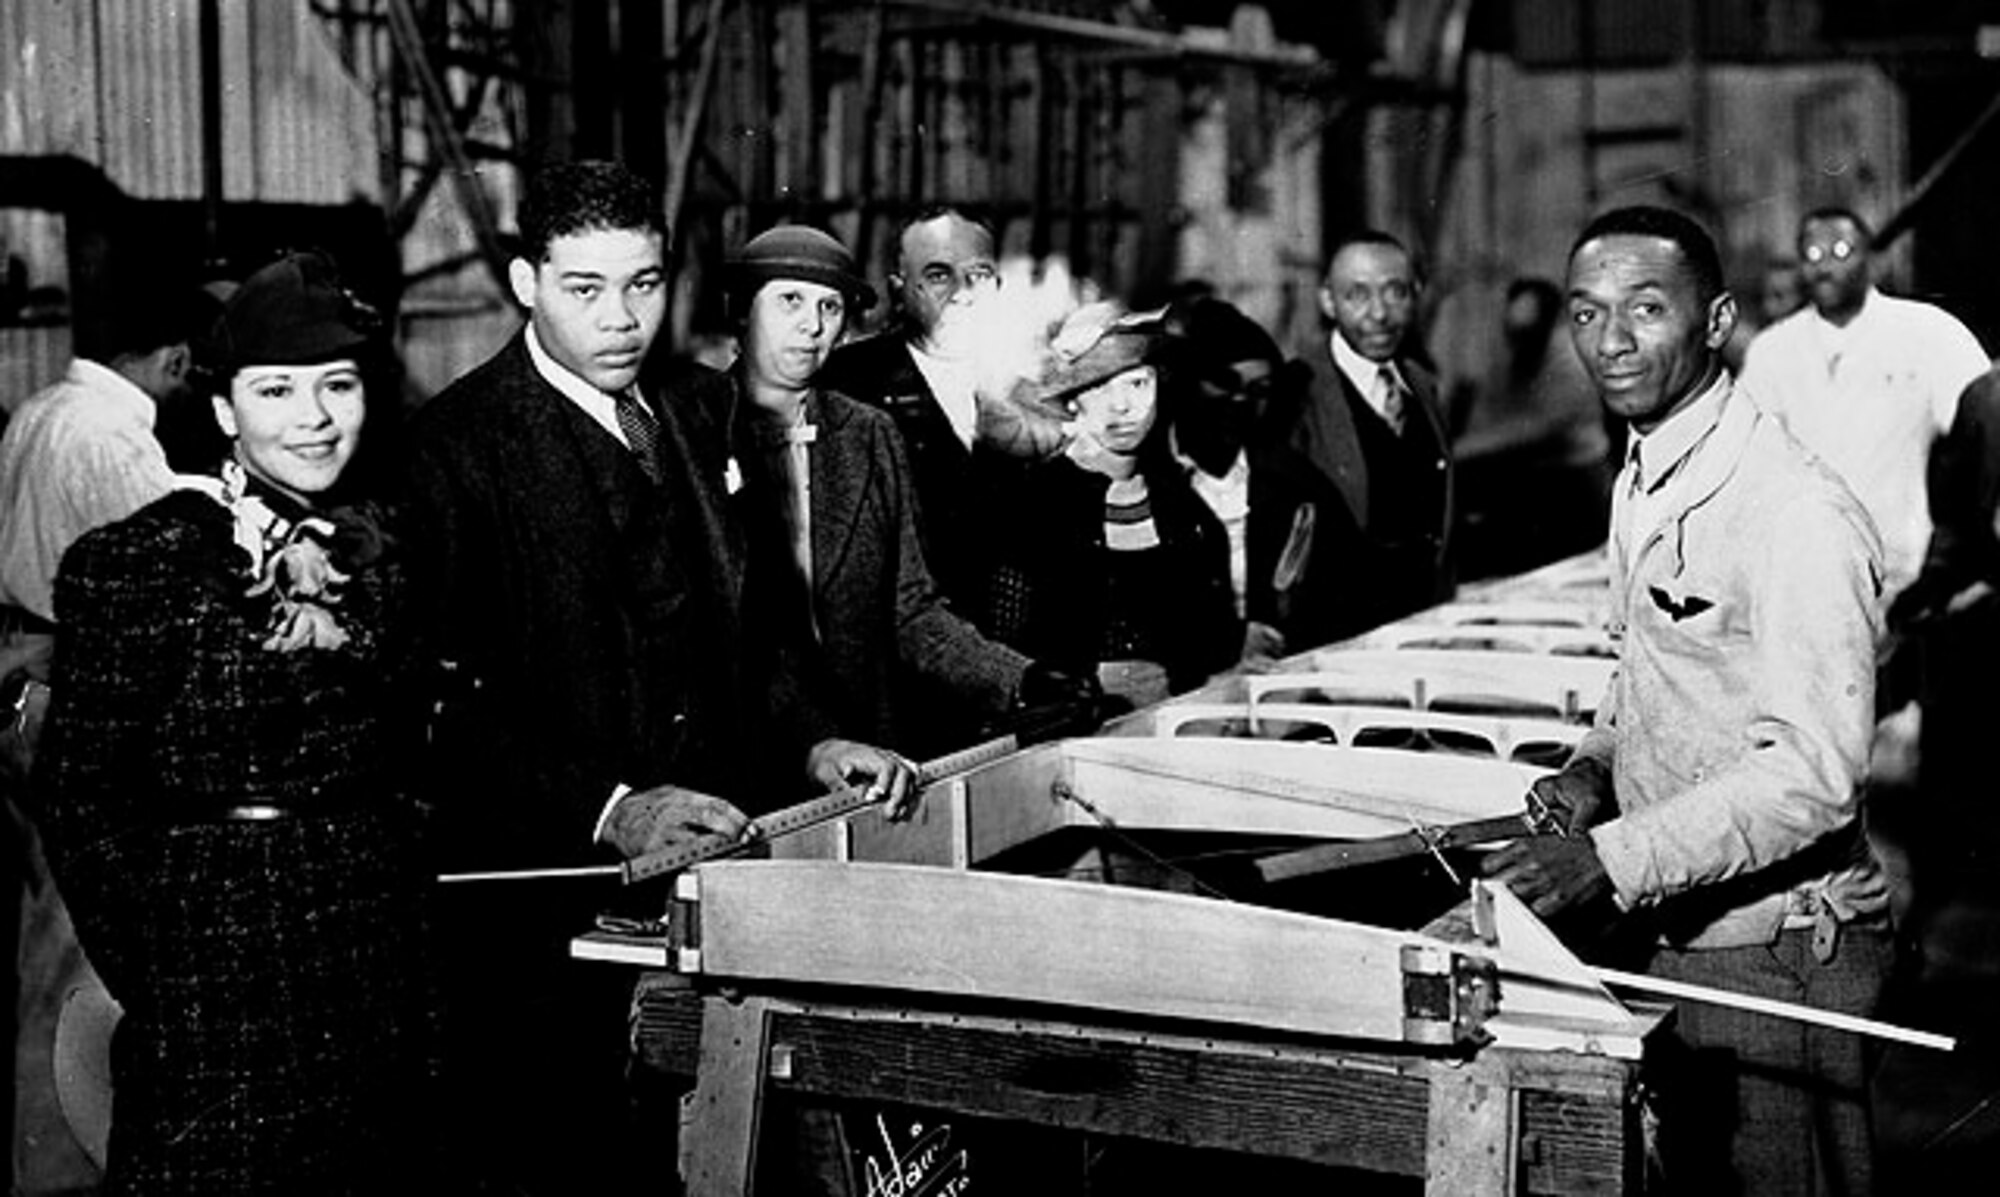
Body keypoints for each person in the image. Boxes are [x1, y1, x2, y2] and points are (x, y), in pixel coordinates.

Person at [400, 160, 913, 1195]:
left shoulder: (693, 415)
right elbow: (437, 709)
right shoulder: (448, 452)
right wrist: (612, 808)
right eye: (584, 288)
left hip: (714, 892)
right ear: (522, 282)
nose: (621, 317)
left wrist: (816, 739)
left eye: (642, 282)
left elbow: (755, 635)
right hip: (547, 932)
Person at [1483, 205, 1891, 1194]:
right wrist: (1589, 769)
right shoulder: (1646, 470)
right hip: (1683, 923)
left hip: (1776, 948)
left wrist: (1607, 860)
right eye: (1585, 313)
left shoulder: (1792, 512)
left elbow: (1812, 777)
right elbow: (1648, 668)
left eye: (1643, 309)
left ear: (1713, 322)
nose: (1609, 342)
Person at [31, 250, 441, 1193]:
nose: (314, 418)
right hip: (217, 989)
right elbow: (81, 797)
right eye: (278, 390)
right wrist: (170, 970)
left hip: (375, 975)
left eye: (338, 386)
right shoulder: (139, 560)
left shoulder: (387, 553)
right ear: (224, 411)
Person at [707, 223, 1095, 757]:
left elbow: (912, 613)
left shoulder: (867, 435)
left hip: (868, 750)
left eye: (830, 307)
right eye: (790, 301)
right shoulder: (690, 431)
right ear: (743, 311)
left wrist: (1021, 680)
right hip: (737, 757)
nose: (811, 326)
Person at [984, 304, 1241, 711]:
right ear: (1072, 400)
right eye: (1099, 386)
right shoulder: (1029, 507)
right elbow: (999, 656)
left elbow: (1216, 646)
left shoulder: (1188, 513)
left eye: (1138, 384)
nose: (1121, 406)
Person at [1738, 207, 1990, 607]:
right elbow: (1745, 457)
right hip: (1801, 566)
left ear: (1874, 261)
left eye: (1840, 251)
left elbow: (1985, 421)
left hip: (1899, 567)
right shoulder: (1773, 350)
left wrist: (1968, 554)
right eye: (1813, 255)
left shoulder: (1927, 332)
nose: (1825, 267)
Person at [1247, 230, 1455, 653]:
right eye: (1357, 295)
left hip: (1420, 633)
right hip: (1332, 644)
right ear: (1328, 301)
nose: (1379, 313)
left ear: (1416, 294)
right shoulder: (1296, 391)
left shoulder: (1421, 384)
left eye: (1395, 292)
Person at [815, 207, 1014, 621]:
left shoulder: (1030, 381)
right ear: (898, 289)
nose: (962, 292)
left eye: (978, 274)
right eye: (939, 275)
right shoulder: (845, 382)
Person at [1160, 293, 1297, 662]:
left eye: (1259, 390)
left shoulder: (1291, 480)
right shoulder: (1142, 476)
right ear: (1188, 381)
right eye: (1223, 382)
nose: (1239, 401)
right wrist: (1229, 640)